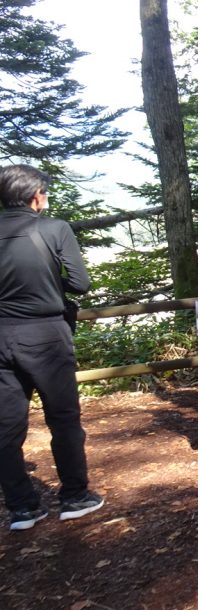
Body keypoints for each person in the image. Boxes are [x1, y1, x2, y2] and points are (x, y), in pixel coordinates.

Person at [0, 164, 104, 530]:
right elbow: (80, 283)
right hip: (45, 334)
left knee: (5, 426)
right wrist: (48, 278)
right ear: (34, 196)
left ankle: (22, 508)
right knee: (63, 419)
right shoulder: (53, 229)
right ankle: (75, 496)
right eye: (43, 192)